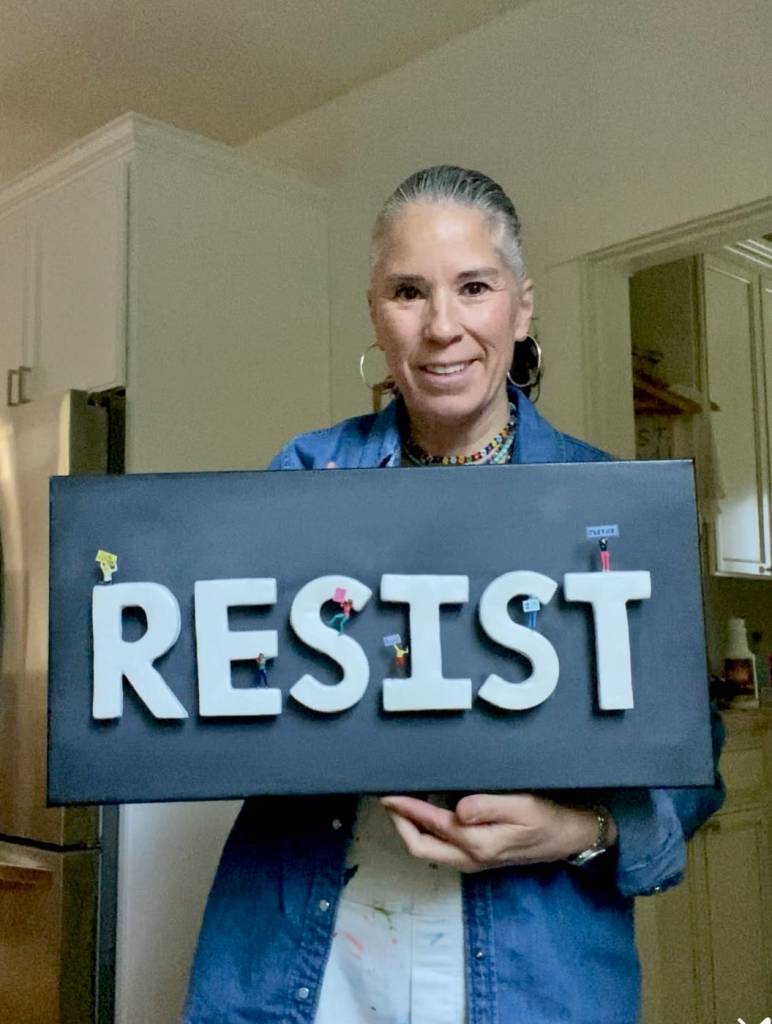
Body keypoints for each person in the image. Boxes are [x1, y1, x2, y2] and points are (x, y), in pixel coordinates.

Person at [183, 166, 724, 1024]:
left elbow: (693, 764)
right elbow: (228, 694)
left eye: (475, 287)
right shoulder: (306, 473)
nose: (442, 327)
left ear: (521, 307)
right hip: (308, 958)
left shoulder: (611, 502)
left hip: (533, 972)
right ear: (375, 312)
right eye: (409, 291)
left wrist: (577, 829)